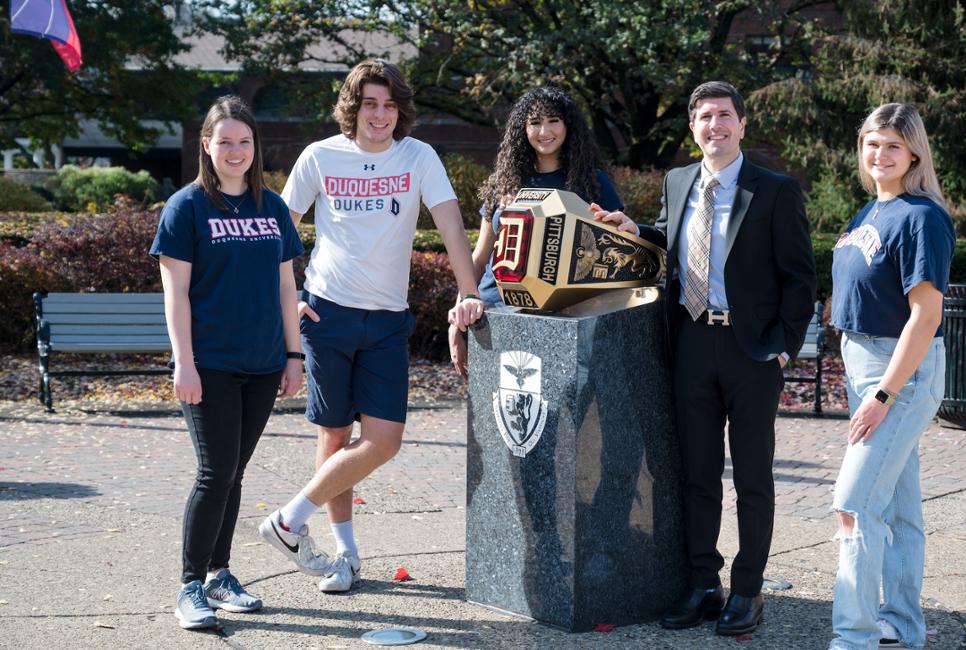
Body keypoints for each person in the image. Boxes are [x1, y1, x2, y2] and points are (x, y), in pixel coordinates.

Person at [594, 81, 816, 637]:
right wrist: (635, 230)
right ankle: (702, 584)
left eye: (724, 116)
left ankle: (748, 589)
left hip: (752, 351)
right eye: (704, 118)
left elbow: (800, 278)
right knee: (696, 475)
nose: (714, 126)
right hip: (691, 343)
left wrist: (783, 347)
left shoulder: (774, 191)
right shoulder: (678, 181)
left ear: (741, 125)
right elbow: (671, 238)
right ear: (692, 128)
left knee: (753, 477)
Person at [257, 59, 483, 593]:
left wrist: (469, 288)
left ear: (399, 111)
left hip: (385, 320)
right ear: (352, 108)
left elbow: (451, 223)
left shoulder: (417, 156)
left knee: (382, 440)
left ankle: (288, 520)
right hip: (326, 312)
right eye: (369, 103)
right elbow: (278, 234)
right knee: (333, 435)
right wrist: (284, 304)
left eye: (388, 104)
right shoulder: (320, 156)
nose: (379, 114)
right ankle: (345, 555)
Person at [151, 95, 305, 630]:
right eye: (225, 142)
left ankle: (219, 574)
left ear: (255, 146)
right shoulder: (186, 207)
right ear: (207, 146)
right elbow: (176, 294)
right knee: (215, 472)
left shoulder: (273, 207)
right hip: (209, 363)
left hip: (263, 363)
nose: (236, 150)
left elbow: (288, 286)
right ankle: (190, 586)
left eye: (244, 141)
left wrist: (293, 355)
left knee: (234, 472)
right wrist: (183, 363)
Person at [826, 103, 954, 650]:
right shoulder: (868, 211)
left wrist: (883, 393)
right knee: (896, 507)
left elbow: (926, 316)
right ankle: (901, 628)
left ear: (914, 154)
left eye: (893, 146)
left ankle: (853, 639)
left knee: (853, 504)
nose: (880, 155)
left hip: (899, 372)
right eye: (872, 144)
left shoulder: (922, 217)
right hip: (866, 366)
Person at [448, 86, 624, 376]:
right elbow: (479, 259)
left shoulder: (593, 183)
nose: (545, 130)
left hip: (564, 319)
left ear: (568, 125)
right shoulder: (503, 184)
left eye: (553, 120)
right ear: (523, 129)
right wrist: (457, 320)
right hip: (495, 314)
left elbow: (612, 257)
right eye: (534, 122)